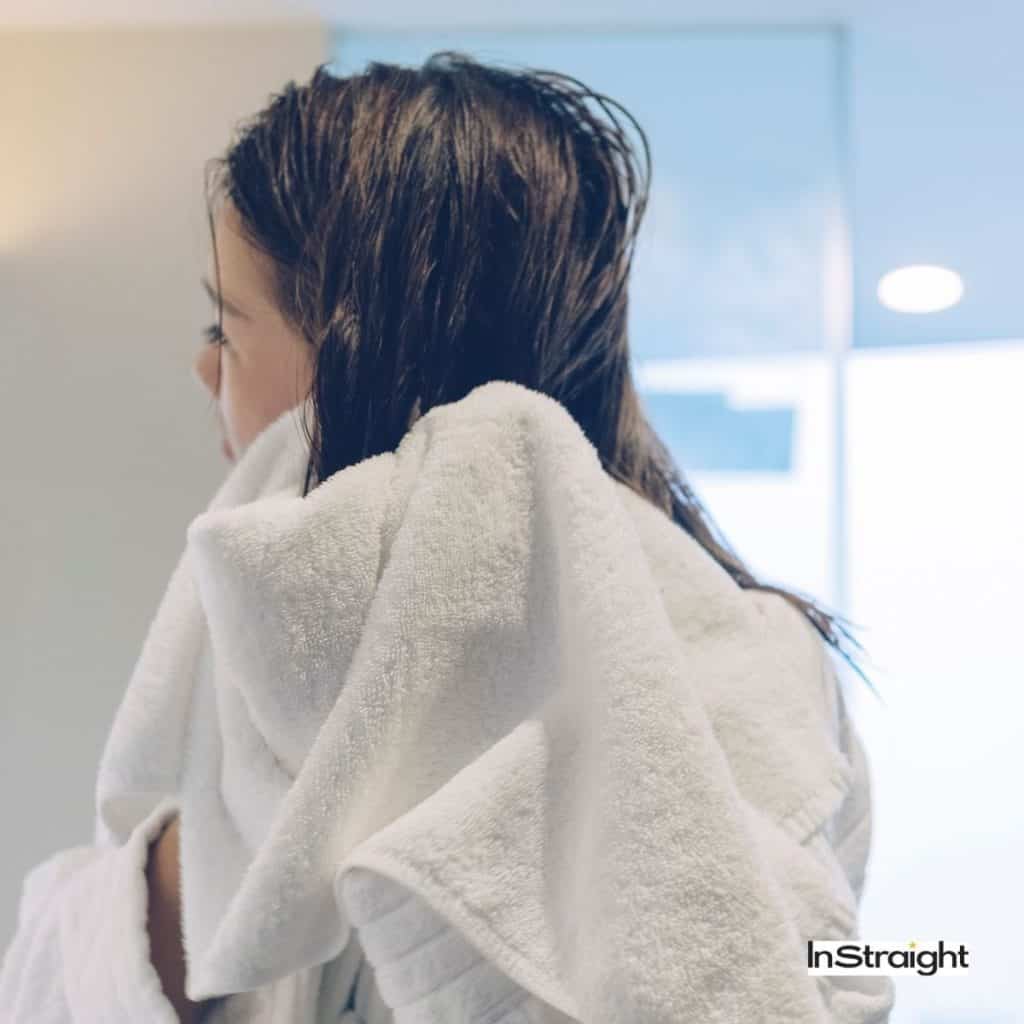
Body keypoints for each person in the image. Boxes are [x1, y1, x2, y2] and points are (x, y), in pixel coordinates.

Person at [0, 53, 889, 1023]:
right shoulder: (259, 655)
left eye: (228, 324)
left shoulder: (748, 674)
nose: (202, 365)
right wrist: (202, 862)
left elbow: (836, 967)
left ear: (359, 355)